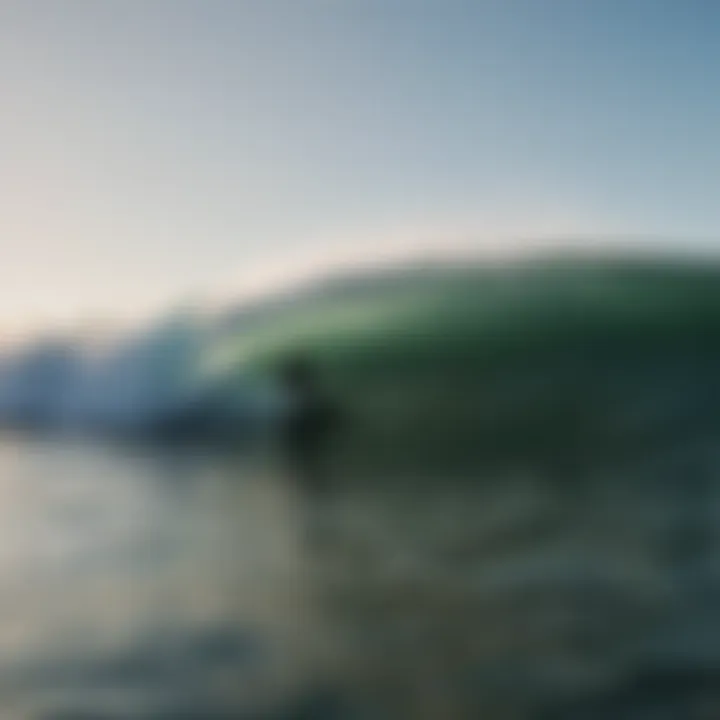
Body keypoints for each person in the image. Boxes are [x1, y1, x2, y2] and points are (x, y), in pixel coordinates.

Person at [276, 355, 343, 497]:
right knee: (312, 469)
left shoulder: (303, 399)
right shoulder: (303, 398)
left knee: (311, 468)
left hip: (309, 441)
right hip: (310, 441)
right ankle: (316, 490)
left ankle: (316, 490)